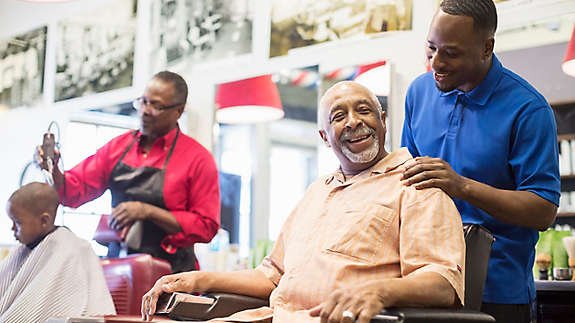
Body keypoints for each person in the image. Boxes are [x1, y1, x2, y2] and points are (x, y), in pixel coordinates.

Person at [141, 81, 465, 323]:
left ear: (383, 119)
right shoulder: (317, 192)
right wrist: (198, 279)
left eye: (363, 110)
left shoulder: (416, 185)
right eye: (339, 116)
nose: (353, 121)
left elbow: (442, 283)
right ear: (325, 137)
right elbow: (272, 275)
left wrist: (379, 292)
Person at [400, 1, 560, 322]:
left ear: (487, 47)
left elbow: (543, 209)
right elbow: (405, 185)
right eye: (432, 48)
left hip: (498, 293)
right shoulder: (419, 92)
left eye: (452, 53)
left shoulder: (528, 110)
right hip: (425, 283)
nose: (437, 63)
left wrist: (462, 186)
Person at [36, 71, 220, 273]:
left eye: (156, 106)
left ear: (178, 111)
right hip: (120, 269)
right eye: (143, 102)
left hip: (173, 274)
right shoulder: (118, 147)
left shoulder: (197, 158)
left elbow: (206, 226)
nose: (145, 111)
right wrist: (52, 170)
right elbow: (70, 192)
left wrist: (147, 211)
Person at [0, 182, 116, 323]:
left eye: (17, 223)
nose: (12, 229)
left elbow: (39, 309)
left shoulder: (72, 250)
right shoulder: (22, 248)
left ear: (44, 220)